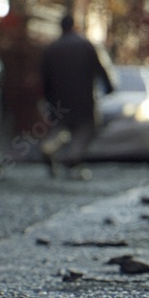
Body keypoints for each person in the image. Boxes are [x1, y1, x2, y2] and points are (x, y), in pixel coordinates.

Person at [40, 12, 115, 177]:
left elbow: (45, 78)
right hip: (83, 99)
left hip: (59, 99)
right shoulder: (86, 45)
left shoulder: (52, 48)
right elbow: (101, 69)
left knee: (60, 127)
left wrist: (48, 98)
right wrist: (110, 87)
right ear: (75, 26)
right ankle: (74, 157)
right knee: (85, 129)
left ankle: (48, 147)